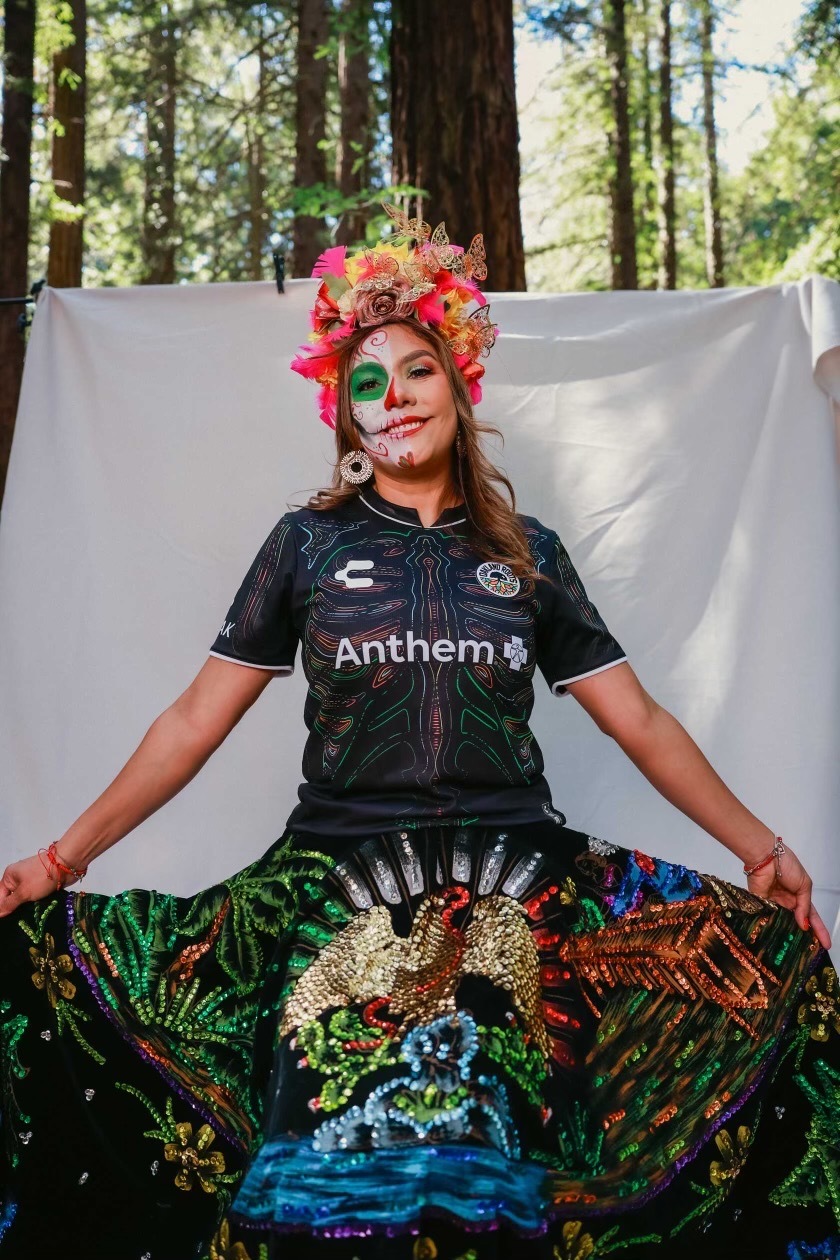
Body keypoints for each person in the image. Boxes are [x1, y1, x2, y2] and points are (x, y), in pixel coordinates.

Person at [0, 204, 837, 1260]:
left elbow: (642, 722)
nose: (392, 398)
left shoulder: (528, 553)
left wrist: (762, 847)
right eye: (366, 384)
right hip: (336, 887)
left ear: (459, 386)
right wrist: (58, 858)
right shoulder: (304, 546)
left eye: (416, 373)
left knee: (505, 1142)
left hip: (521, 892)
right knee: (325, 1169)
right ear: (344, 416)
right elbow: (190, 724)